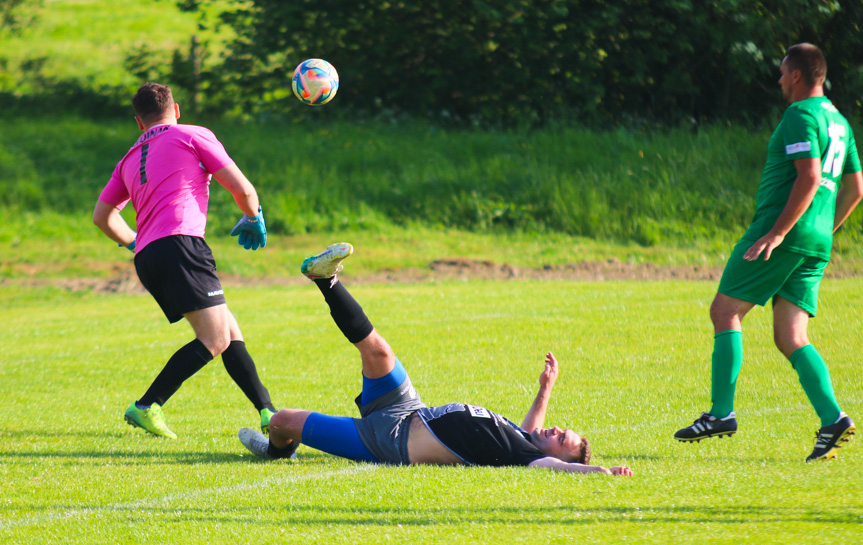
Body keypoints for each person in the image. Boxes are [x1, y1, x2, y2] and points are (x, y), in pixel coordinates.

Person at [237, 243, 633, 475]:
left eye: (562, 440)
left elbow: (553, 466)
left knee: (283, 420)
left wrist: (595, 471)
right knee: (379, 350)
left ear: (555, 456)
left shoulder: (526, 458)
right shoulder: (519, 440)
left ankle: (277, 449)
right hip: (407, 408)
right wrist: (545, 390)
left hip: (388, 442)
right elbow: (530, 431)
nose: (557, 431)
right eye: (563, 430)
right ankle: (325, 278)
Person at [674, 44, 863, 462]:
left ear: (797, 75)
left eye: (782, 73)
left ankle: (721, 413)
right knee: (791, 336)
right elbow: (856, 188)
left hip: (783, 233)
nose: (778, 80)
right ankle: (833, 419)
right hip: (816, 241)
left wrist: (779, 233)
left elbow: (809, 176)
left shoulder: (800, 115)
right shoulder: (840, 122)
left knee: (725, 311)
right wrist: (823, 230)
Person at [93, 82, 277, 439]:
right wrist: (254, 217)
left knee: (228, 331)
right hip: (181, 246)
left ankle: (267, 411)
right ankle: (147, 405)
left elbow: (103, 217)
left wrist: (135, 242)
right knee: (214, 338)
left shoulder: (128, 158)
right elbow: (243, 189)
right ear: (176, 110)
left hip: (148, 257)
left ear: (139, 122)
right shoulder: (192, 135)